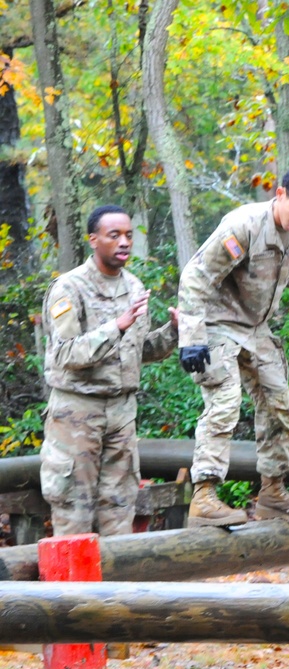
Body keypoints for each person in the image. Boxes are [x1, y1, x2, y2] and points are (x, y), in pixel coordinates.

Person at [177, 165, 289, 527]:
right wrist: (192, 339)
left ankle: (273, 493)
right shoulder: (243, 225)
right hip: (217, 322)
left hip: (256, 328)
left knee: (281, 405)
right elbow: (196, 277)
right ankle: (204, 496)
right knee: (225, 402)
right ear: (279, 195)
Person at [40, 204, 178, 537]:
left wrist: (174, 332)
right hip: (77, 414)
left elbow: (136, 351)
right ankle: (72, 591)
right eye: (114, 235)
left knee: (119, 508)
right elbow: (65, 353)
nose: (124, 242)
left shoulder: (133, 286)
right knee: (74, 511)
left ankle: (117, 589)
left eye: (129, 235)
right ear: (93, 239)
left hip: (121, 414)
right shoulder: (69, 288)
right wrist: (116, 326)